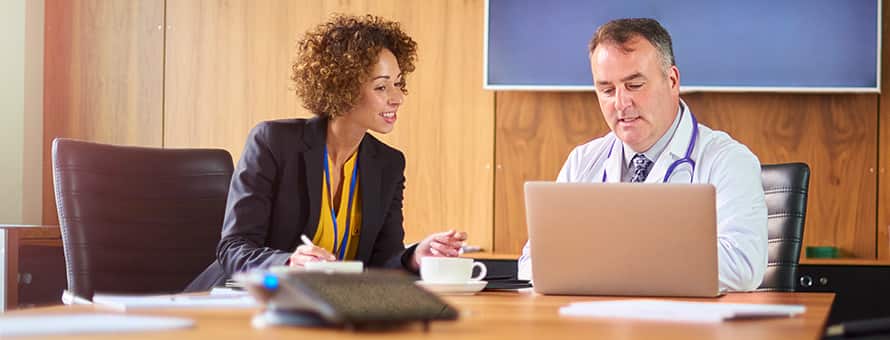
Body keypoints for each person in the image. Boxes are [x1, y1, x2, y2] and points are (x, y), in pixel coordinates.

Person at [188, 14, 467, 290]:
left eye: (398, 83)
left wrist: (414, 257)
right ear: (342, 87)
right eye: (381, 87)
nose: (398, 98)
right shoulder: (273, 142)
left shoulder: (388, 163)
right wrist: (288, 263)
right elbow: (233, 248)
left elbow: (381, 264)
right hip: (238, 301)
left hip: (323, 306)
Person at [517, 18, 767, 291]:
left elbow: (743, 266)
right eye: (607, 90)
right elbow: (533, 262)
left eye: (634, 85)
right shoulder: (583, 161)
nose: (621, 103)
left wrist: (613, 260)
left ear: (672, 80)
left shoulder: (728, 161)